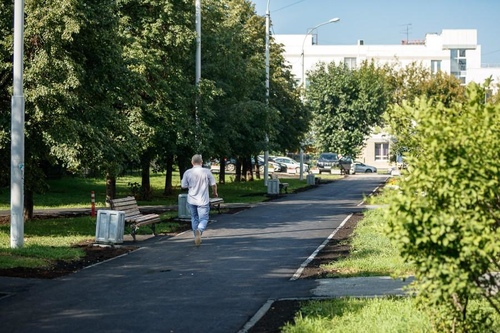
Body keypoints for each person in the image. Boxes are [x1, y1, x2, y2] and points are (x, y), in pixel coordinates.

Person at [181, 154, 218, 246]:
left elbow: (183, 185)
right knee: (204, 218)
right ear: (201, 162)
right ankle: (200, 230)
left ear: (192, 162)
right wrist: (215, 193)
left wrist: (191, 185)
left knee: (194, 218)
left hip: (191, 200)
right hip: (203, 200)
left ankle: (196, 236)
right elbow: (213, 184)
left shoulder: (187, 172)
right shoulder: (206, 171)